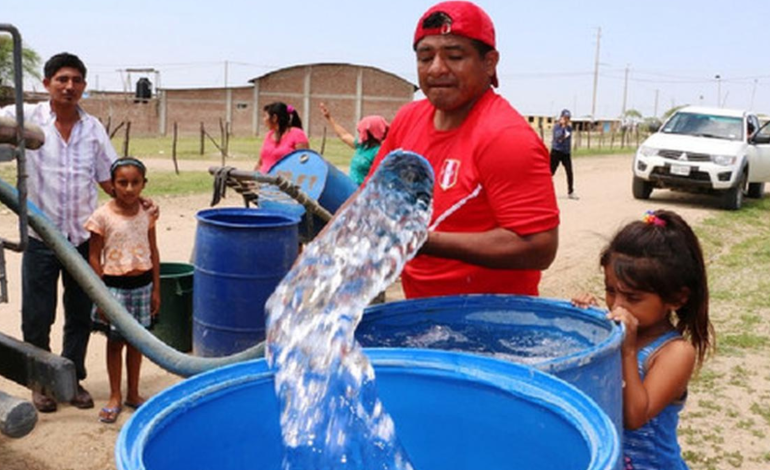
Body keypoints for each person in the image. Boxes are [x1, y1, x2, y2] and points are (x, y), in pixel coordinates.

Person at [365, 1, 559, 299]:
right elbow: (368, 199)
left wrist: (421, 241)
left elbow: (539, 247)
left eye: (455, 56)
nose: (437, 68)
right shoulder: (408, 120)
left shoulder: (505, 138)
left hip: (492, 323)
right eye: (425, 57)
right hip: (421, 315)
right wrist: (314, 254)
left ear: (489, 62)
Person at [0, 53, 119, 412]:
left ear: (83, 85)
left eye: (77, 80)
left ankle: (73, 379)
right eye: (62, 79)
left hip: (82, 239)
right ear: (46, 83)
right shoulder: (26, 119)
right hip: (40, 238)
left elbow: (108, 178)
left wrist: (136, 203)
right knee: (37, 314)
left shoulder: (94, 128)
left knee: (80, 314)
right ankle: (40, 382)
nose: (70, 87)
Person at [572, 209, 714, 469]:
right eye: (610, 291)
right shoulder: (615, 330)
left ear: (677, 298)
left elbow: (635, 417)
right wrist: (587, 323)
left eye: (633, 298)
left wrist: (626, 351)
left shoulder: (674, 352)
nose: (618, 304)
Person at [85, 157, 160, 424]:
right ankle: (115, 395)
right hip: (114, 289)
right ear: (112, 185)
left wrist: (156, 290)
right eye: (122, 182)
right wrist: (101, 296)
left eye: (135, 183)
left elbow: (154, 250)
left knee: (137, 342)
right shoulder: (101, 216)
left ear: (144, 184)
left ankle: (133, 393)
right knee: (115, 344)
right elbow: (94, 258)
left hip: (143, 287)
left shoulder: (148, 213)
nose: (129, 188)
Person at [319, 102, 389, 186]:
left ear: (371, 133)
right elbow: (344, 135)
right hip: (352, 190)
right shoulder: (362, 146)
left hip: (363, 194)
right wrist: (329, 118)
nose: (360, 132)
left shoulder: (378, 152)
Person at [257, 102, 309, 173]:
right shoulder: (269, 135)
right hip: (263, 181)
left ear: (274, 118)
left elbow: (304, 163)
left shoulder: (297, 134)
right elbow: (260, 163)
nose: (264, 120)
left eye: (265, 116)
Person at [550, 108, 577, 199]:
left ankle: (571, 192)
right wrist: (562, 127)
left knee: (569, 172)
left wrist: (565, 127)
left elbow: (566, 136)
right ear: (561, 117)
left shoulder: (569, 128)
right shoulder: (556, 127)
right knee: (551, 172)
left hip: (566, 153)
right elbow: (559, 138)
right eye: (565, 118)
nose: (566, 120)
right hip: (556, 151)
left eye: (568, 118)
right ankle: (544, 190)